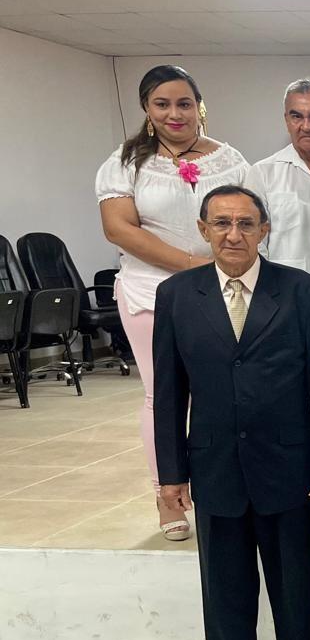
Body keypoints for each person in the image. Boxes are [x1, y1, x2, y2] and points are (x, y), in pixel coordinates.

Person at [152, 185, 310, 640]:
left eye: (246, 223)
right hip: (215, 466)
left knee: (294, 589)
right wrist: (171, 473)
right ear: (203, 229)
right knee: (224, 591)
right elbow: (169, 390)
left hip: (288, 466)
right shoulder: (177, 295)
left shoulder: (303, 292)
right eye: (222, 223)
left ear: (264, 229)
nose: (234, 234)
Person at [96, 64, 249, 543]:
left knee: (219, 390)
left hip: (220, 289)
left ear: (199, 106)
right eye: (161, 104)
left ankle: (221, 483)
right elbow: (119, 228)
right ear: (147, 109)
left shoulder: (229, 159)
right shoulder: (124, 162)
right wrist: (190, 266)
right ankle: (166, 495)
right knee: (161, 394)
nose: (174, 113)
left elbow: (248, 218)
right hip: (151, 291)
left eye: (184, 103)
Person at [244, 79, 310, 282]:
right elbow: (254, 243)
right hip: (284, 293)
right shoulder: (262, 174)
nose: (306, 126)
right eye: (297, 116)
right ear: (287, 121)